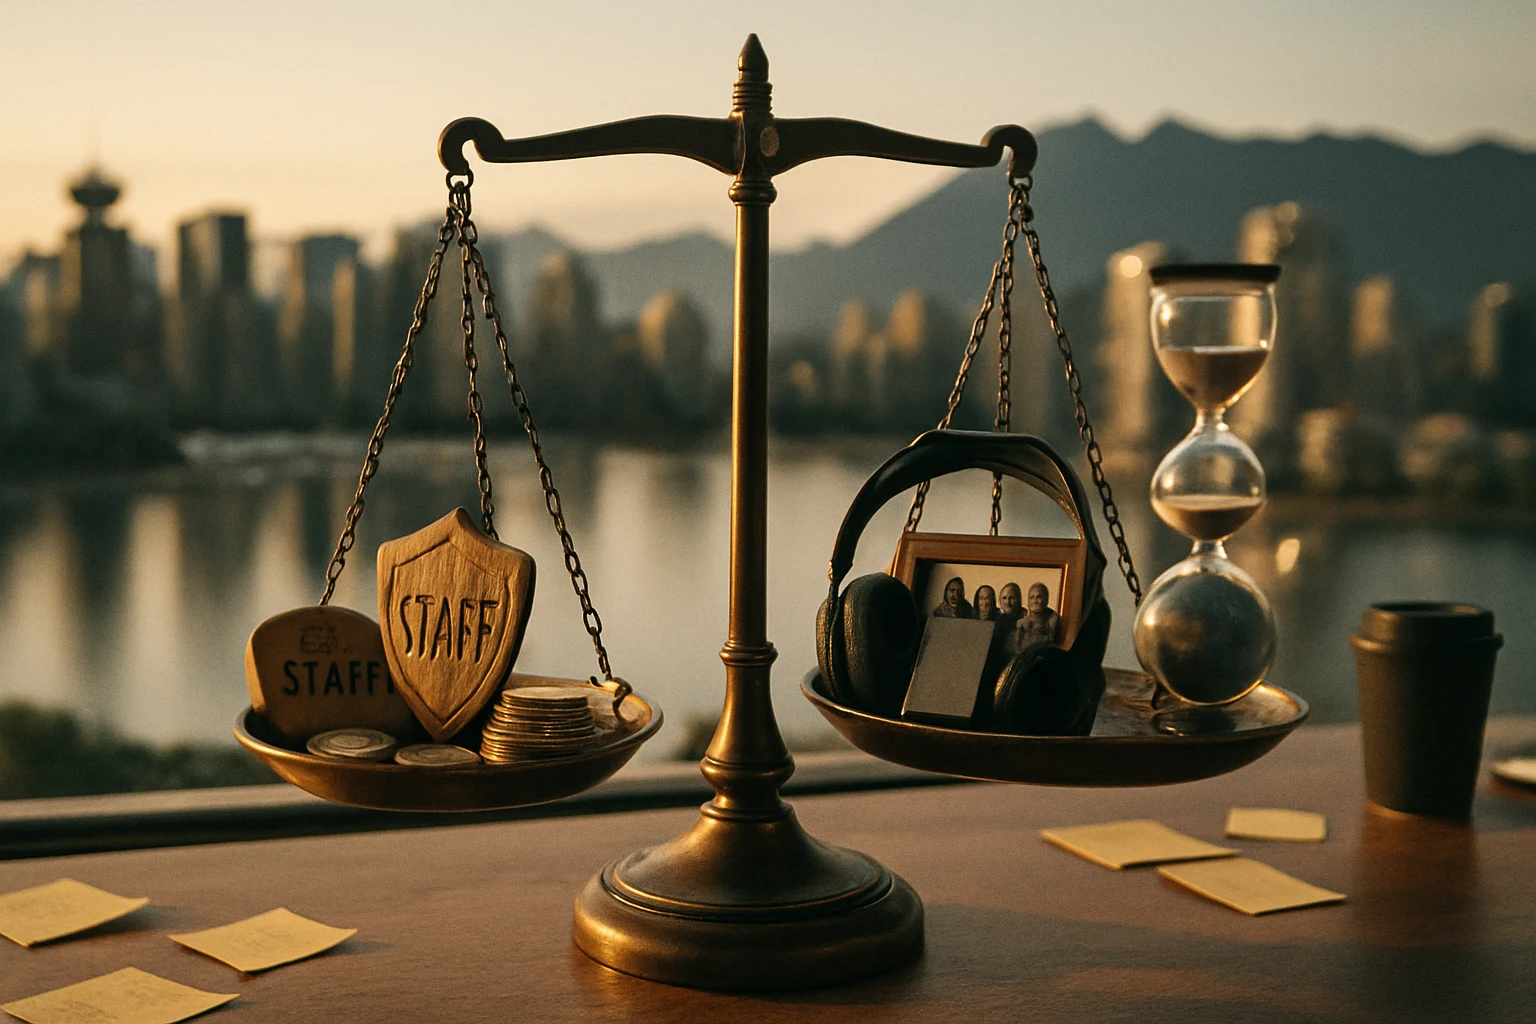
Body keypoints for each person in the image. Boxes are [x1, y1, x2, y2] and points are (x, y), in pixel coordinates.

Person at [1015, 581, 1062, 648]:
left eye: (1039, 597)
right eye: (1032, 597)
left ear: (1046, 600)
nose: (1035, 601)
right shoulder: (1021, 623)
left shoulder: (1053, 621)